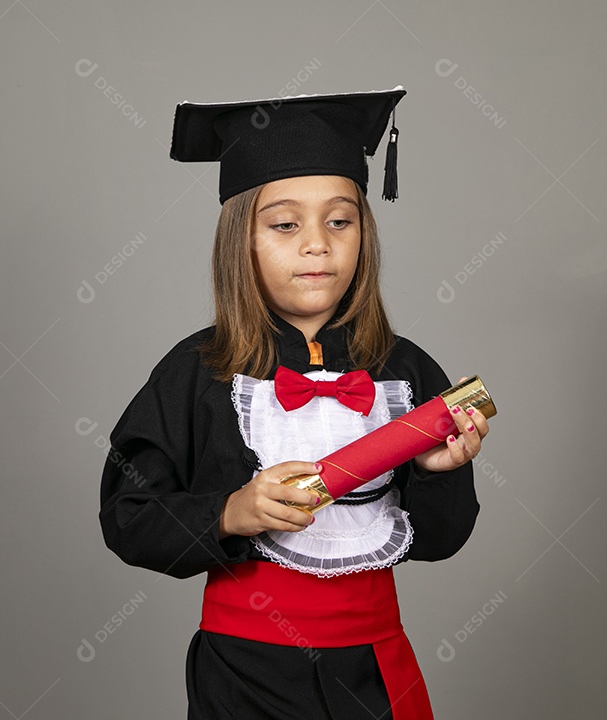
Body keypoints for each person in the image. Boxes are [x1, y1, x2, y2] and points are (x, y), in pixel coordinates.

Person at [99, 86, 491, 720]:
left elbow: (441, 541)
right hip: (244, 674)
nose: (318, 244)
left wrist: (433, 474)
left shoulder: (406, 369)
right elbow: (128, 518)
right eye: (285, 225)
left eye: (341, 220)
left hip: (373, 670)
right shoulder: (197, 372)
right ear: (241, 241)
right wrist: (231, 512)